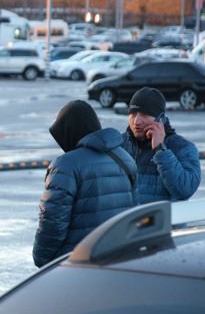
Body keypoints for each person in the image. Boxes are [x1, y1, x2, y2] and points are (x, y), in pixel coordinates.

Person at [33, 100, 137, 267]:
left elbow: (53, 221)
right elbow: (133, 214)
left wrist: (42, 260)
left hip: (76, 264)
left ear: (69, 132)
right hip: (117, 260)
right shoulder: (125, 158)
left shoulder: (65, 165)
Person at [121, 87, 200, 203]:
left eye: (144, 114)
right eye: (132, 114)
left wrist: (160, 150)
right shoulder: (120, 144)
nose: (136, 121)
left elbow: (185, 190)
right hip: (128, 220)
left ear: (160, 119)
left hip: (163, 220)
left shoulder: (183, 147)